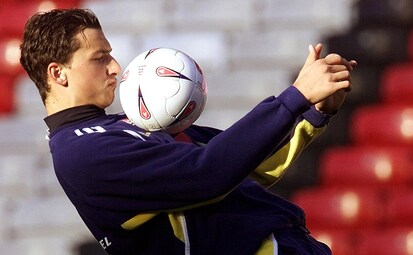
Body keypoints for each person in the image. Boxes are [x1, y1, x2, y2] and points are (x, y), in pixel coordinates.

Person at [20, 8, 356, 255]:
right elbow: (209, 173)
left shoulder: (124, 124)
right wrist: (294, 96)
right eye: (100, 58)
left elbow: (245, 164)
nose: (116, 67)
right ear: (58, 73)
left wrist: (315, 112)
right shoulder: (83, 154)